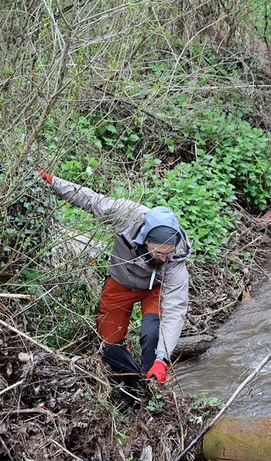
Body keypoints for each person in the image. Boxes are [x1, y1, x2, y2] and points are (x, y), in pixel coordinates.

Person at [37, 168, 190, 392]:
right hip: (120, 283)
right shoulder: (126, 216)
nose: (163, 258)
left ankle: (150, 385)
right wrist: (53, 182)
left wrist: (162, 359)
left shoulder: (176, 256)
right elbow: (90, 199)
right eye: (158, 253)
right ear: (145, 239)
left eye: (167, 253)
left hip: (153, 289)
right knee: (108, 346)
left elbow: (175, 309)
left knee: (152, 334)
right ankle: (135, 384)